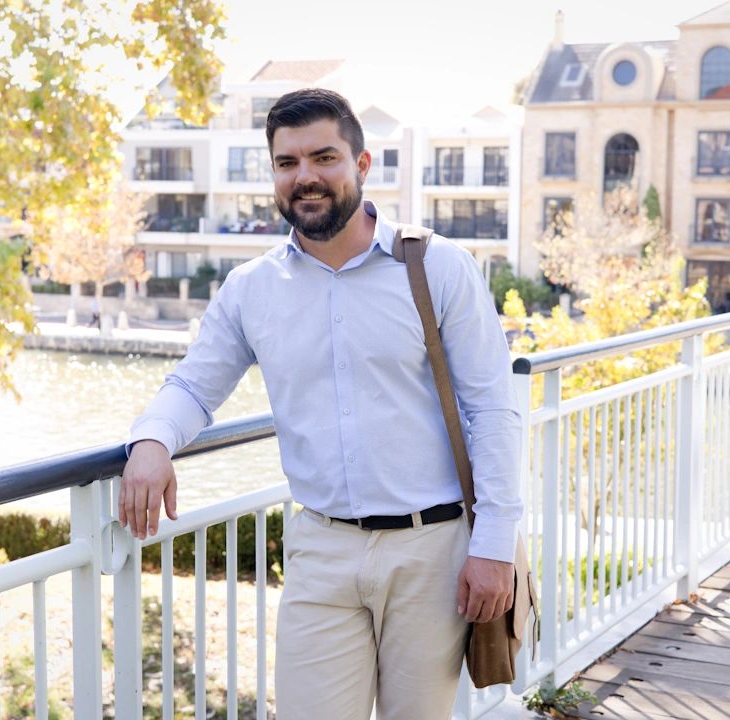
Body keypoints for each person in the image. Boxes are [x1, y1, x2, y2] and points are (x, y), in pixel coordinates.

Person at [118, 88, 522, 719]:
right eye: (287, 163)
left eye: (323, 157)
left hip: (433, 552)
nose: (305, 176)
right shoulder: (252, 289)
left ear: (361, 166)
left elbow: (493, 410)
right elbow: (194, 386)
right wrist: (151, 443)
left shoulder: (438, 267)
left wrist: (493, 545)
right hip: (320, 551)